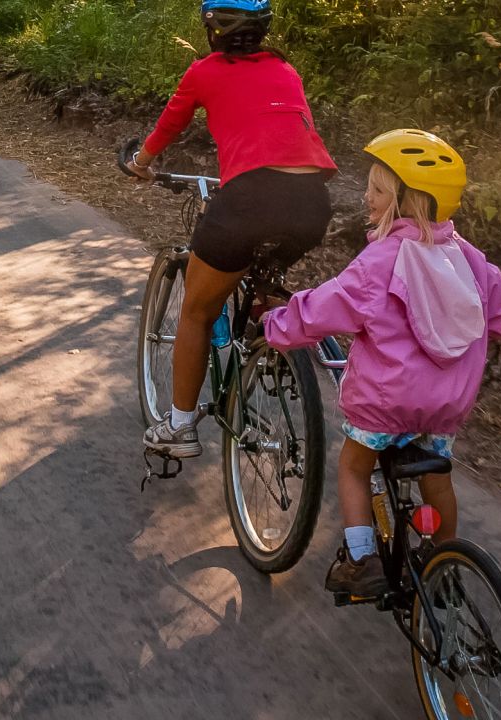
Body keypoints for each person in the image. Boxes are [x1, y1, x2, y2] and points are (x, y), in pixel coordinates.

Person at [261, 129, 501, 598]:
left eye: (377, 190)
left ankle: (362, 561)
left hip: (385, 404)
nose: (366, 196)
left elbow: (323, 308)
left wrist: (276, 325)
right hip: (446, 405)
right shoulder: (473, 260)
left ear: (406, 202)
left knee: (354, 467)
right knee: (437, 473)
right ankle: (445, 560)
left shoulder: (381, 260)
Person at [128, 0, 337, 459]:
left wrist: (141, 163)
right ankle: (271, 338)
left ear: (212, 31)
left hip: (247, 200)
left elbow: (170, 125)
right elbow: (286, 137)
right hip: (313, 203)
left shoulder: (204, 71)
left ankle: (180, 427)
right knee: (265, 270)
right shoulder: (286, 70)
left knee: (198, 312)